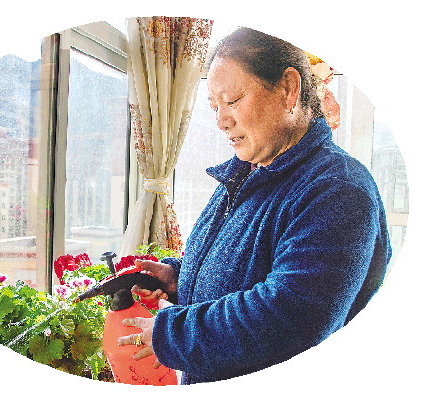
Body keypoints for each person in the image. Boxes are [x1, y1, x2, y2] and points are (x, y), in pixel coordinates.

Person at [117, 27, 391, 385]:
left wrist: (174, 333)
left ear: (289, 89)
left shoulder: (337, 190)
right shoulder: (248, 172)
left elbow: (291, 315)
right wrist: (179, 277)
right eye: (215, 107)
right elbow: (246, 267)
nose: (221, 121)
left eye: (232, 101)